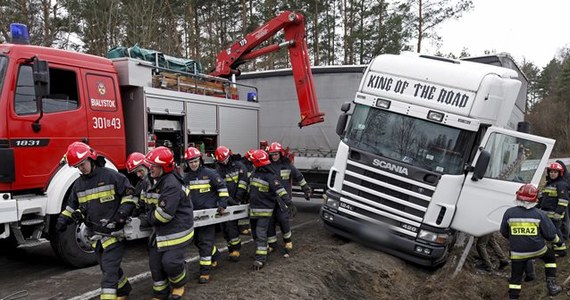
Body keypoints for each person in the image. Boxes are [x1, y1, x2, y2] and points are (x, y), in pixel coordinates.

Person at [55, 142, 136, 300]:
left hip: (114, 232)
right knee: (107, 267)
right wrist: (62, 220)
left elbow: (130, 194)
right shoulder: (78, 185)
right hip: (95, 235)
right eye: (78, 166)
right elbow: (72, 206)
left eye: (83, 164)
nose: (81, 168)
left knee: (109, 270)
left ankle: (108, 296)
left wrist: (122, 213)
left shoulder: (111, 175)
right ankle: (124, 288)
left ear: (91, 159)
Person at [143, 146, 194, 300]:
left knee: (170, 262)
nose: (149, 168)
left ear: (164, 167)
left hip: (177, 230)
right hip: (161, 231)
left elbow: (164, 215)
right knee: (155, 264)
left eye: (154, 165)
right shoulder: (154, 180)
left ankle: (179, 284)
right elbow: (145, 201)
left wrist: (147, 218)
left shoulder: (171, 184)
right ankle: (160, 292)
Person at [500, 183, 562, 299]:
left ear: (518, 196)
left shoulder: (509, 213)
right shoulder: (540, 214)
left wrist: (516, 239)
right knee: (550, 257)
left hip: (517, 253)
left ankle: (513, 297)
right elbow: (550, 235)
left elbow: (503, 232)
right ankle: (552, 286)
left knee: (515, 278)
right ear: (535, 198)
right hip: (537, 250)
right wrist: (558, 242)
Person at [183, 147, 229, 284]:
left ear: (200, 160)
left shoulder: (211, 173)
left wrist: (222, 204)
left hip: (208, 216)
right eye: (191, 162)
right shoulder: (186, 178)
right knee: (197, 241)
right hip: (194, 216)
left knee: (205, 242)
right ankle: (215, 255)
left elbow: (222, 189)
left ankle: (205, 272)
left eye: (196, 161)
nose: (194, 164)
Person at [248, 149, 291, 270]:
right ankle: (263, 250)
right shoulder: (254, 174)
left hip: (264, 212)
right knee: (256, 234)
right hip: (253, 211)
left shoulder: (270, 177)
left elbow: (280, 190)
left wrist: (289, 203)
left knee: (261, 233)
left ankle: (260, 259)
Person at [266, 142, 311, 256]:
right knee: (270, 221)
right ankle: (272, 244)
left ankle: (288, 241)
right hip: (270, 199)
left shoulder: (287, 165)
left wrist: (305, 188)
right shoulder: (267, 165)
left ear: (280, 153)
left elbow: (298, 176)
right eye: (272, 154)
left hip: (283, 200)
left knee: (283, 220)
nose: (274, 156)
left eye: (276, 154)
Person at [214, 146, 249, 262]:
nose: (224, 161)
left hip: (237, 201)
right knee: (224, 228)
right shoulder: (218, 170)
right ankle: (231, 248)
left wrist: (238, 199)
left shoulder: (239, 166)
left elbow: (243, 183)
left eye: (225, 159)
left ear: (229, 156)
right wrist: (226, 200)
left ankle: (236, 249)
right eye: (221, 160)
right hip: (226, 201)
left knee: (231, 226)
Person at [537, 162, 569, 256]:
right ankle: (556, 247)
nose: (552, 174)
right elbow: (543, 199)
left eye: (555, 172)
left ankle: (561, 250)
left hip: (555, 214)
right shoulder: (550, 184)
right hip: (547, 213)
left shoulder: (561, 185)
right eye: (551, 172)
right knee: (551, 231)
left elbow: (563, 200)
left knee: (555, 231)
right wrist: (536, 208)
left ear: (560, 173)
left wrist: (558, 214)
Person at [126, 152, 152, 220]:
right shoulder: (141, 183)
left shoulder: (154, 182)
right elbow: (138, 200)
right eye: (136, 173)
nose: (138, 175)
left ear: (147, 166)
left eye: (140, 171)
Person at [237, 149, 256, 235]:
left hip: (249, 191)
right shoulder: (243, 165)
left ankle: (247, 226)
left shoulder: (252, 165)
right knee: (242, 210)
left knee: (247, 209)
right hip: (243, 190)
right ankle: (242, 227)